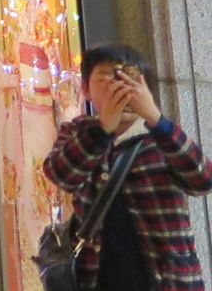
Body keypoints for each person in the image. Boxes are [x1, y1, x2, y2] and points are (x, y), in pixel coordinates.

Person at [43, 43, 212, 290]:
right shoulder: (79, 132)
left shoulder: (163, 136)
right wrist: (102, 129)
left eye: (129, 78)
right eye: (107, 77)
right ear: (86, 89)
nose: (120, 87)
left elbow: (203, 180)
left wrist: (156, 119)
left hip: (166, 279)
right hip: (96, 276)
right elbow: (61, 176)